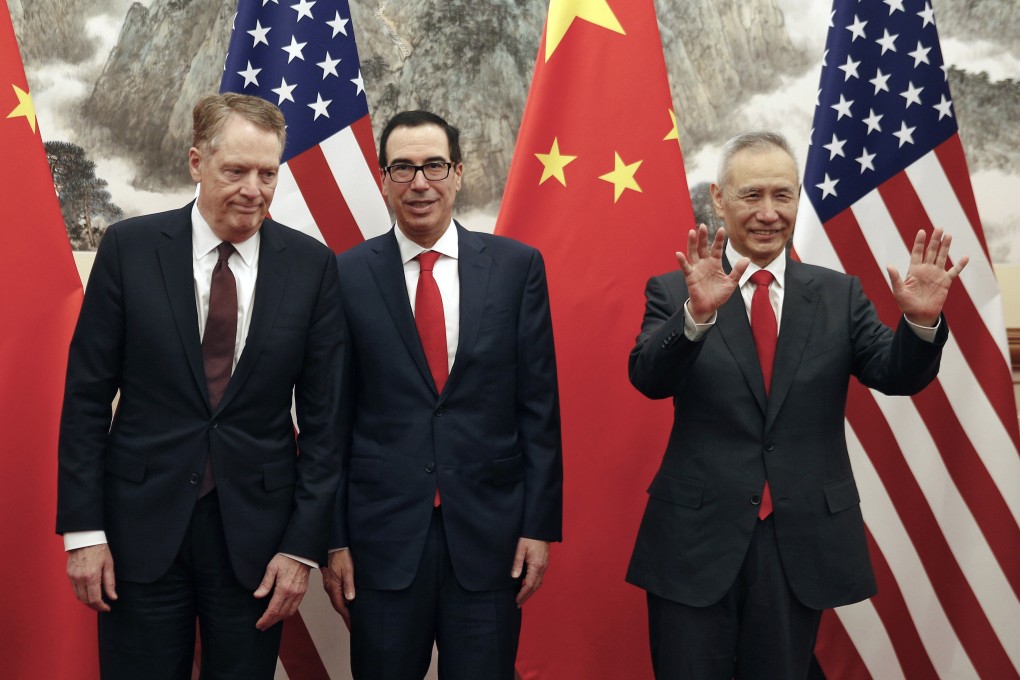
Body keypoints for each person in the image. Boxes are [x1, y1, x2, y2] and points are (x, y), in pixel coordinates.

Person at [626, 131, 968, 679]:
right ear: (718, 199)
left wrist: (921, 323)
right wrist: (696, 316)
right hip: (694, 543)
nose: (768, 213)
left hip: (797, 544)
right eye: (751, 195)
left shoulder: (839, 294)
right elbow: (648, 377)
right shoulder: (675, 291)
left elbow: (895, 374)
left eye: (783, 196)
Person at [56, 93, 344, 679]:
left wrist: (300, 548)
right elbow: (86, 399)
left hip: (256, 544)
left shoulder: (312, 267)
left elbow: (326, 424)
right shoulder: (129, 250)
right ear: (196, 163)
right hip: (138, 533)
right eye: (235, 170)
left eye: (268, 173)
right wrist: (83, 532)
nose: (254, 189)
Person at [321, 110, 563, 679]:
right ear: (383, 180)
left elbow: (539, 408)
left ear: (458, 172)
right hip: (381, 544)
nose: (419, 183)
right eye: (402, 169)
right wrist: (334, 539)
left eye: (433, 165)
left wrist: (537, 525)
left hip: (489, 539)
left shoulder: (516, 268)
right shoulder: (346, 275)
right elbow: (331, 419)